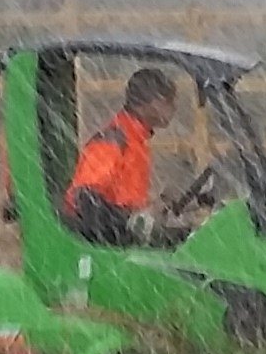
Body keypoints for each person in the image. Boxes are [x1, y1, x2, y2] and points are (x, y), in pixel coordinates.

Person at [63, 65, 180, 247]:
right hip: (109, 247)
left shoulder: (136, 141)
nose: (174, 108)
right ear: (152, 102)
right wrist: (132, 219)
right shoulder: (113, 141)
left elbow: (124, 201)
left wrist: (157, 206)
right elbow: (86, 203)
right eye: (169, 101)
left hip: (122, 239)